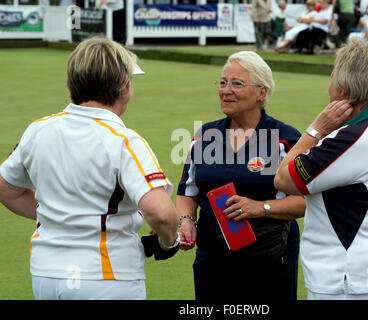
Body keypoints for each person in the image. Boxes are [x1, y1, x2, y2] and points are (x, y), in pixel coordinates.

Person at [0, 37, 179, 300]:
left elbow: (7, 189)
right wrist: (168, 241)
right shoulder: (124, 141)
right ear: (123, 86)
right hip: (106, 277)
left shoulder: (38, 129)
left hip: (45, 274)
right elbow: (161, 213)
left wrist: (61, 216)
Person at [274, 40, 368, 300]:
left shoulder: (354, 137)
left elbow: (283, 178)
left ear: (345, 86)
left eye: (332, 75)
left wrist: (316, 129)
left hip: (349, 277)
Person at [176, 51, 306, 300]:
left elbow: (304, 201)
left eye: (237, 83)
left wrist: (261, 207)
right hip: (211, 258)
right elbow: (188, 192)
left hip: (269, 257)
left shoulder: (285, 139)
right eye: (223, 83)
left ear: (262, 92)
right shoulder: (205, 136)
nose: (226, 90)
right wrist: (186, 220)